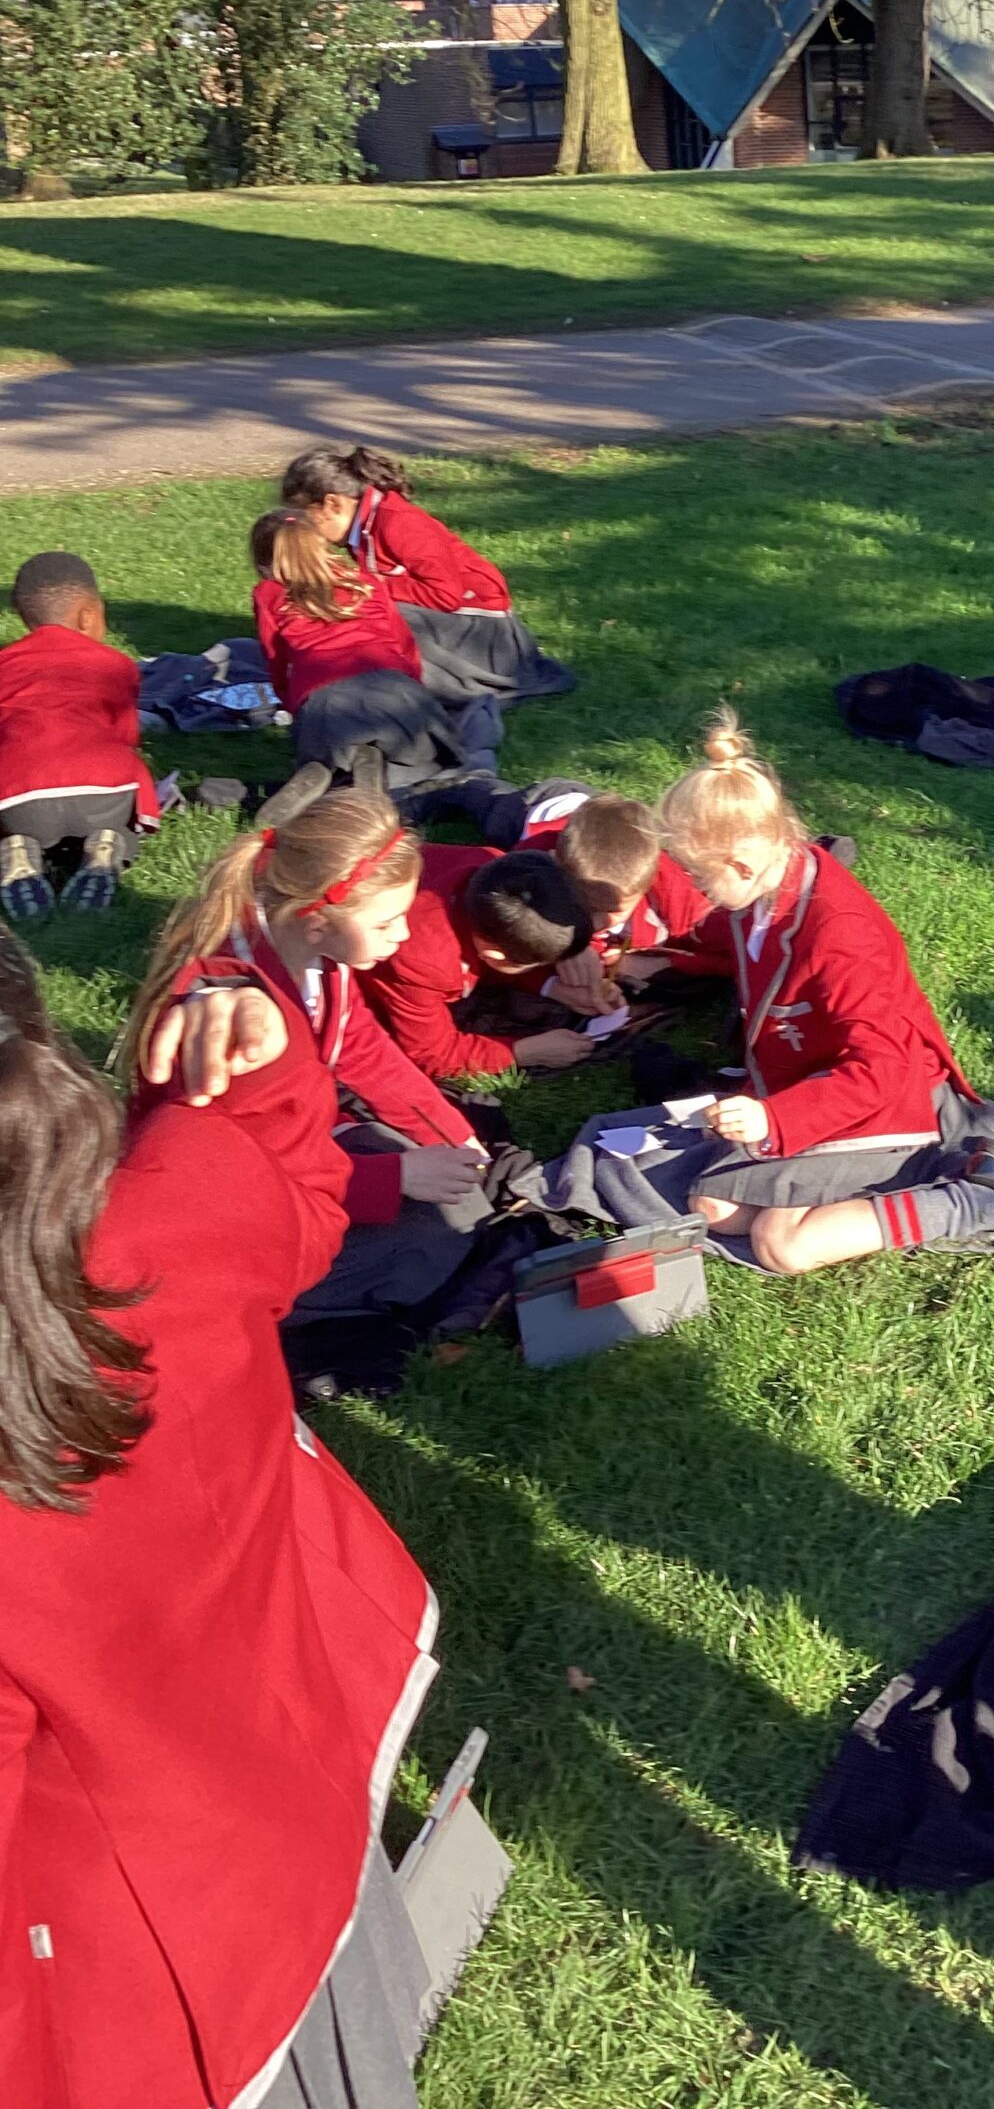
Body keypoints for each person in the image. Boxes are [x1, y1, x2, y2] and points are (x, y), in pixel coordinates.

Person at [0, 929, 438, 2109]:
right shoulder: (168, 1217)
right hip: (290, 1777)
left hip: (155, 1962)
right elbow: (290, 1182)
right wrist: (254, 1049)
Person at [649, 711, 994, 1276]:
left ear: (740, 864)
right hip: (818, 1082)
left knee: (782, 1245)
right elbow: (736, 946)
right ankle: (890, 1187)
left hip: (885, 1099)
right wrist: (641, 956)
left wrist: (774, 1120)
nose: (694, 888)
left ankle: (983, 1199)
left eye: (697, 876)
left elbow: (883, 1070)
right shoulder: (769, 883)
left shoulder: (840, 935)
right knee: (714, 1209)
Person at [125, 789, 496, 1327]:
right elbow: (244, 1170)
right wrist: (388, 1177)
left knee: (451, 1197)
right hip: (227, 1206)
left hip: (303, 1152)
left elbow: (362, 1049)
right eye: (386, 923)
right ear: (319, 922)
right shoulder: (236, 1028)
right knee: (432, 1237)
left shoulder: (319, 956)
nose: (404, 935)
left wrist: (451, 1132)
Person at [251, 508, 491, 829]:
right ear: (323, 545)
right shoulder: (364, 581)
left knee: (331, 749)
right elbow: (405, 645)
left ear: (265, 564)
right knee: (428, 762)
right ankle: (370, 762)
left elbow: (277, 662)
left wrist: (295, 710)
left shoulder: (268, 594)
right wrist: (414, 692)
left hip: (324, 702)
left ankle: (324, 771)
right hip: (395, 691)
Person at [280, 442, 573, 705]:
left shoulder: (398, 522)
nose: (304, 530)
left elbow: (445, 594)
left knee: (374, 616)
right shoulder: (365, 528)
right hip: (454, 622)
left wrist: (371, 585)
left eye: (306, 519)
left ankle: (382, 683)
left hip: (485, 635)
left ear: (333, 504)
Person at [0, 551, 158, 921]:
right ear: (88, 615)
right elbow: (125, 737)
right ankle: (107, 851)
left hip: (21, 796)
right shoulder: (116, 664)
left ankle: (17, 848)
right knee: (122, 823)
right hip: (104, 790)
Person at [357, 841, 600, 1080]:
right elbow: (433, 1053)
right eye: (538, 964)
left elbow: (508, 939)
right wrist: (523, 1052)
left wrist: (551, 986)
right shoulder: (420, 961)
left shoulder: (502, 874)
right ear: (494, 956)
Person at [519, 786, 717, 1017]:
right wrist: (568, 948)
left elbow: (735, 956)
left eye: (610, 911)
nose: (593, 922)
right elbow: (497, 944)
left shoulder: (683, 903)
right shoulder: (532, 871)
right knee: (491, 803)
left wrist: (666, 964)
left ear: (645, 888)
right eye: (584, 906)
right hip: (547, 808)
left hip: (595, 824)